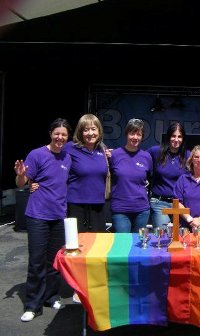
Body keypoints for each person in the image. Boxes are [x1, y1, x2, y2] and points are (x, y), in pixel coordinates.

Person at [14, 118, 72, 322]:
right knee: (37, 261)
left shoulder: (67, 156)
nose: (60, 138)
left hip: (58, 215)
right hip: (38, 214)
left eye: (64, 134)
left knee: (54, 261)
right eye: (57, 133)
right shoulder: (37, 154)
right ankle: (33, 305)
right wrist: (22, 177)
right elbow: (22, 181)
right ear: (50, 133)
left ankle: (51, 296)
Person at [64, 113, 110, 233]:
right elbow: (53, 162)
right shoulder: (70, 148)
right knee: (77, 243)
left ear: (99, 131)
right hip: (76, 206)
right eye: (86, 130)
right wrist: (36, 181)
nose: (90, 133)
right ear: (80, 132)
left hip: (98, 205)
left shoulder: (103, 149)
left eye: (93, 129)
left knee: (97, 244)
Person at [109, 118, 153, 232]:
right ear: (126, 134)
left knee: (139, 244)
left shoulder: (146, 157)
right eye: (132, 133)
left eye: (139, 134)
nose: (135, 137)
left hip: (142, 210)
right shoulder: (114, 155)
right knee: (123, 244)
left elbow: (150, 179)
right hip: (120, 209)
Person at [147, 122, 190, 228]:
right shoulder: (155, 151)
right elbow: (138, 157)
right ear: (168, 137)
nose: (176, 139)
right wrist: (116, 154)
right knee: (164, 237)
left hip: (181, 204)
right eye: (173, 136)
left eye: (179, 136)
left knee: (181, 238)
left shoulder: (188, 155)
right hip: (159, 203)